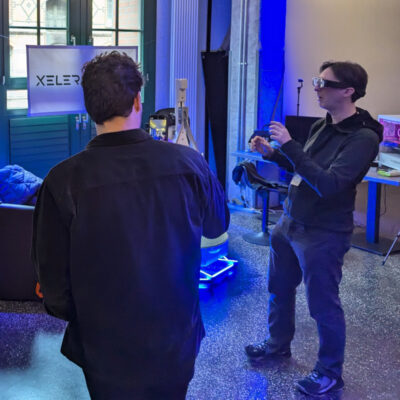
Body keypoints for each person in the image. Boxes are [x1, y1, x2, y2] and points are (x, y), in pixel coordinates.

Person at [32, 51, 229, 400]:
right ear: (138, 101)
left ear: (88, 107)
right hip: (176, 336)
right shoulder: (190, 164)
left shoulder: (61, 181)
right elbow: (216, 227)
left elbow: (55, 287)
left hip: (105, 346)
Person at [245, 61, 383, 396]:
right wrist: (273, 153)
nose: (316, 88)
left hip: (323, 232)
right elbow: (304, 167)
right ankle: (277, 344)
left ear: (348, 91)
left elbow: (329, 184)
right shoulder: (324, 124)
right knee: (279, 288)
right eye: (316, 81)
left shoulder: (363, 138)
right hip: (290, 221)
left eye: (323, 82)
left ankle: (330, 372)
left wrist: (289, 144)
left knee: (323, 305)